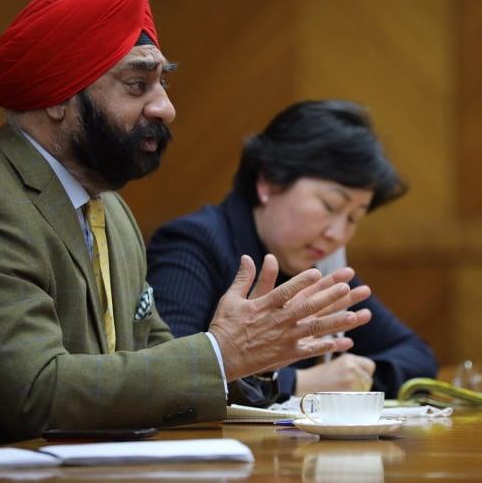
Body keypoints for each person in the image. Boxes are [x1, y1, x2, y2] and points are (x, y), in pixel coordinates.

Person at [0, 0, 372, 451]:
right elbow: (41, 394)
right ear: (58, 98)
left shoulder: (110, 210)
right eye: (137, 85)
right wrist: (222, 354)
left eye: (162, 84)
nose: (166, 108)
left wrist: (248, 361)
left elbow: (151, 358)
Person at [147, 100, 438, 401]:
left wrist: (357, 376)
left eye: (353, 218)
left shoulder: (321, 265)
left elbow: (417, 356)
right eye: (330, 206)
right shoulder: (192, 242)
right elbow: (168, 374)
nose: (337, 234)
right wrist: (297, 382)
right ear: (269, 181)